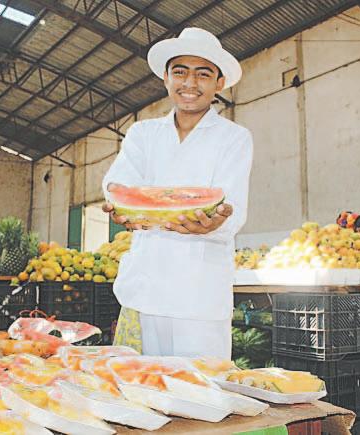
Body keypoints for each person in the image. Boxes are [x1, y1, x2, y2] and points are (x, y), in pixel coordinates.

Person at [101, 28, 253, 358]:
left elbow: (233, 208)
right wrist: (117, 200)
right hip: (145, 286)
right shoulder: (143, 133)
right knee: (143, 382)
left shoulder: (234, 137)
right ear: (166, 79)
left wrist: (217, 222)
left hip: (199, 293)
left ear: (219, 83)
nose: (190, 83)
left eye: (203, 74)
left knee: (201, 384)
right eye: (180, 72)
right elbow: (119, 183)